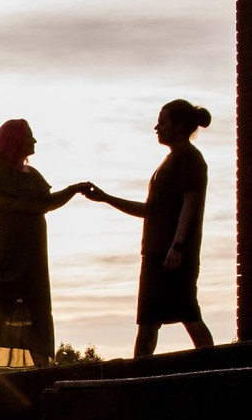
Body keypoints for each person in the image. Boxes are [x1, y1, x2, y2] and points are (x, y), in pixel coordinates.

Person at [0, 118, 85, 375]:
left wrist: (73, 190)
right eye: (30, 136)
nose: (34, 141)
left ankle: (42, 367)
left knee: (40, 308)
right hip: (7, 249)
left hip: (35, 253)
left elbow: (47, 203)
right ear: (15, 141)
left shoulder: (33, 176)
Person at [83, 100, 215, 358]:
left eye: (162, 122)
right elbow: (149, 210)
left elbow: (190, 203)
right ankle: (138, 378)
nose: (157, 127)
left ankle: (215, 367)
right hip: (155, 254)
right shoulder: (170, 161)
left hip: (173, 256)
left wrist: (176, 247)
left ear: (177, 126)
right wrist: (106, 198)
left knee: (188, 313)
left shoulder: (189, 157)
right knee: (148, 323)